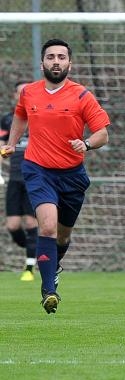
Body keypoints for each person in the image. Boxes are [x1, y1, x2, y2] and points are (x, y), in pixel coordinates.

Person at [0, 38, 111, 314]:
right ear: (42, 63)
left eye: (62, 57)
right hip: (38, 169)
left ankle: (53, 267)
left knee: (62, 236)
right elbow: (20, 116)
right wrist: (12, 143)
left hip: (72, 175)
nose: (56, 61)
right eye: (51, 57)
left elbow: (102, 134)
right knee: (46, 227)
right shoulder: (30, 93)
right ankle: (49, 290)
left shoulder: (82, 95)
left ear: (69, 64)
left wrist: (85, 144)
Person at [0, 81, 38, 281]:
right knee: (13, 226)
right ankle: (35, 245)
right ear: (15, 96)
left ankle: (29, 269)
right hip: (14, 179)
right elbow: (2, 146)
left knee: (31, 221)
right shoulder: (7, 120)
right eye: (20, 92)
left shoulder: (40, 116)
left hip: (34, 177)